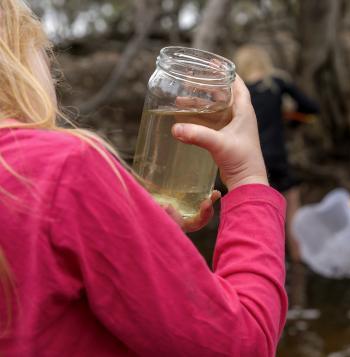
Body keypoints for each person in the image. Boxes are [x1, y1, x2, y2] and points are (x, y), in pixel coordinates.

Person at [0, 1, 288, 355]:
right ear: (18, 65)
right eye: (45, 52)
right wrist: (248, 177)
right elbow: (245, 343)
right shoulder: (64, 169)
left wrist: (137, 228)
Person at [234, 45, 319, 263]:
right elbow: (311, 108)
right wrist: (289, 119)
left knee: (258, 215)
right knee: (291, 208)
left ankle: (262, 266)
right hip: (277, 157)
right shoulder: (277, 83)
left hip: (248, 162)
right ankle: (297, 262)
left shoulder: (239, 91)